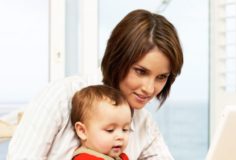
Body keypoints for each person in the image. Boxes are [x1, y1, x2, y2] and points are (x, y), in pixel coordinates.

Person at [8, 9, 183, 160]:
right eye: (140, 71)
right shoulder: (61, 97)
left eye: (161, 77)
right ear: (117, 60)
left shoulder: (145, 125)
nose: (149, 88)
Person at [70, 85, 131, 160]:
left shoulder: (122, 157)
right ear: (82, 131)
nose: (121, 136)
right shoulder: (84, 158)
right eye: (110, 130)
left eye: (125, 129)